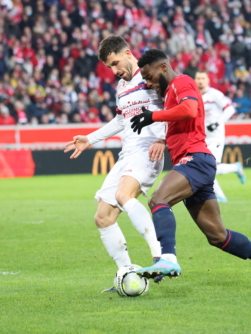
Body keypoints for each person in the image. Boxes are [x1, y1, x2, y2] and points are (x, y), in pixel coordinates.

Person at [130, 49, 251, 289]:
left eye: (149, 75)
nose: (148, 82)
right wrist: (163, 139)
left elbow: (189, 110)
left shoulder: (181, 82)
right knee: (217, 236)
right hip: (197, 162)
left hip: (195, 159)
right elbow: (183, 123)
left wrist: (154, 116)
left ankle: (168, 258)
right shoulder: (169, 93)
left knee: (158, 200)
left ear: (163, 67)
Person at [63, 36, 167, 292]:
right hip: (127, 153)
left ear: (128, 53)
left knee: (123, 195)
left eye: (115, 63)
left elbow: (172, 106)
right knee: (103, 217)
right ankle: (127, 272)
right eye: (109, 67)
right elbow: (121, 122)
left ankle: (160, 257)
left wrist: (163, 139)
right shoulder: (122, 86)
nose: (114, 70)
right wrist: (89, 139)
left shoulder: (151, 75)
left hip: (148, 150)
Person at [194, 70, 245, 203]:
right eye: (198, 78)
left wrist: (217, 123)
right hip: (201, 137)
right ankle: (235, 169)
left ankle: (222, 195)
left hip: (215, 136)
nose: (200, 81)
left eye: (202, 78)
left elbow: (230, 109)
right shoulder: (194, 96)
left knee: (210, 168)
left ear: (208, 80)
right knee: (205, 168)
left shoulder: (215, 94)